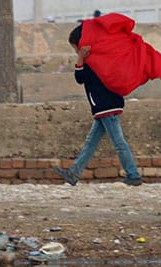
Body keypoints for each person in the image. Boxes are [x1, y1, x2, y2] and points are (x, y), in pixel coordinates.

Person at [53, 24, 143, 186]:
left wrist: (80, 58)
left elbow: (80, 78)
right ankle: (74, 174)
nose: (75, 51)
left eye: (75, 48)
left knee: (118, 141)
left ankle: (133, 174)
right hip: (107, 105)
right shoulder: (100, 56)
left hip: (105, 106)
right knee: (91, 142)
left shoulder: (92, 59)